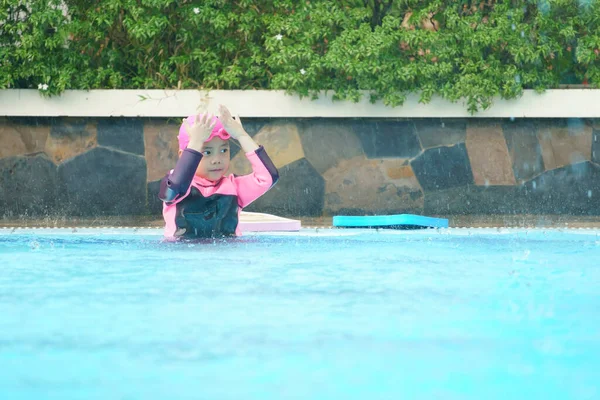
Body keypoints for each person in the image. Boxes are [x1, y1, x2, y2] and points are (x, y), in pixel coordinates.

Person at [158, 104, 278, 239]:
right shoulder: (177, 184)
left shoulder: (234, 188)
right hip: (184, 255)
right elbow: (174, 187)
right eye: (207, 152)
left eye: (223, 150)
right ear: (184, 155)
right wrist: (196, 142)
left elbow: (268, 178)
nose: (217, 160)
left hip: (226, 256)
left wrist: (241, 135)